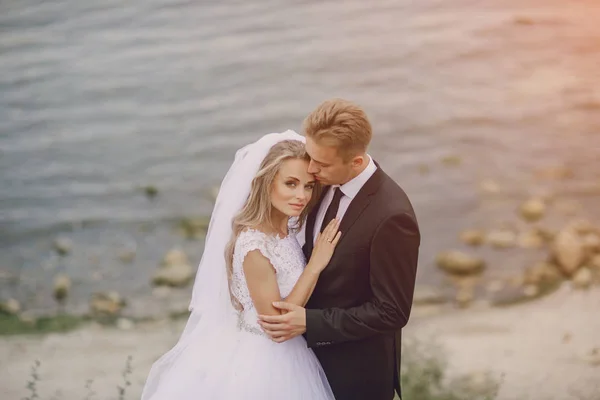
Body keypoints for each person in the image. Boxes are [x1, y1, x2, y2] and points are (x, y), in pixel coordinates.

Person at [140, 131, 339, 400]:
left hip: (293, 350)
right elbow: (276, 325)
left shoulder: (287, 226)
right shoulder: (254, 246)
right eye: (290, 184)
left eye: (308, 186)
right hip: (266, 360)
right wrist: (315, 264)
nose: (301, 195)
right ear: (267, 184)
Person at [257, 99, 421, 400]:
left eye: (321, 164)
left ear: (356, 162)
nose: (310, 168)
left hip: (353, 373)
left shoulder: (392, 217)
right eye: (310, 156)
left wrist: (310, 322)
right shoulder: (320, 179)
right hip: (299, 365)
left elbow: (392, 311)